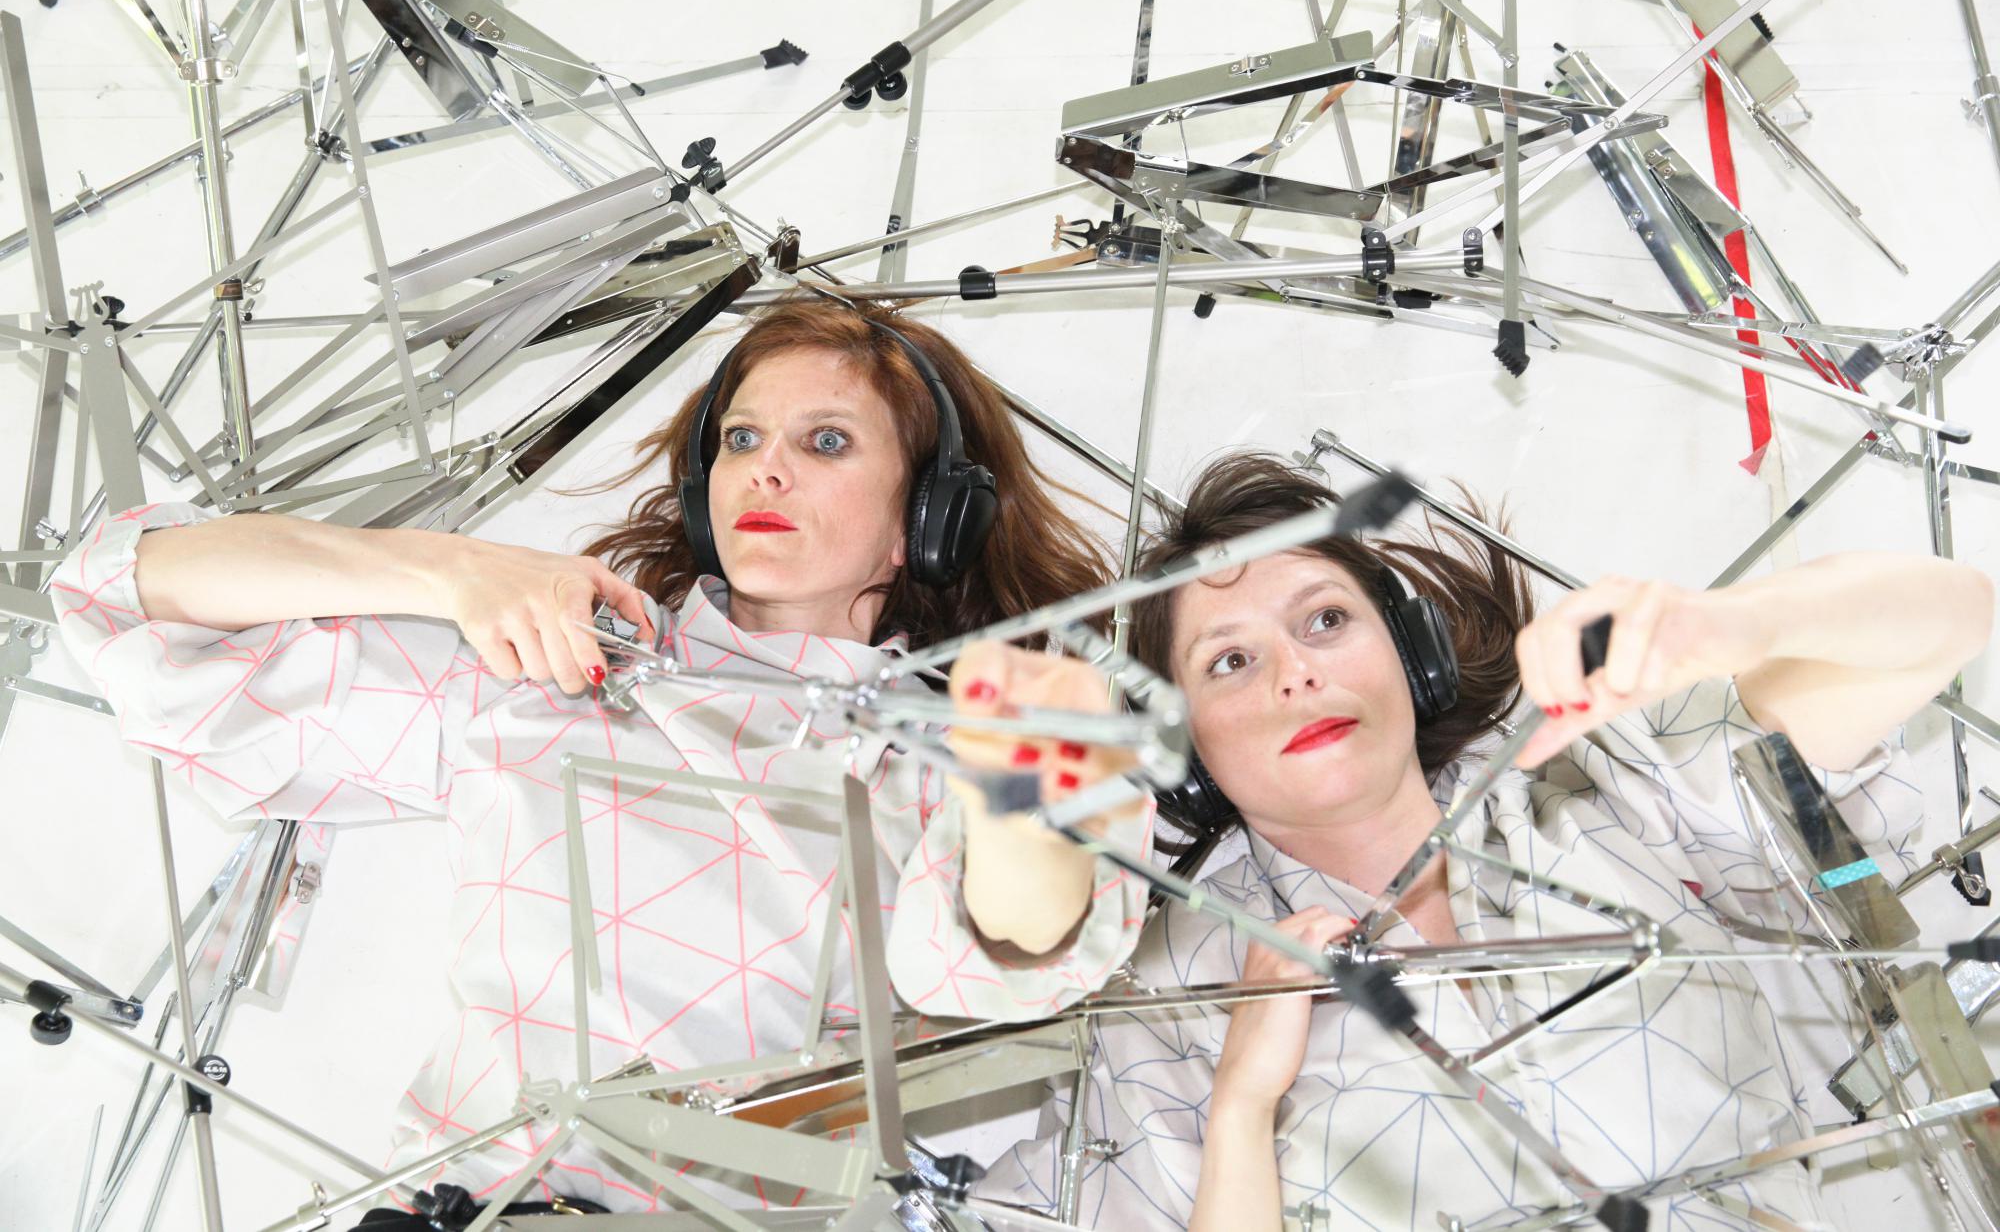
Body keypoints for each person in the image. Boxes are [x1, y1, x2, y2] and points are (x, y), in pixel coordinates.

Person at [50, 296, 1153, 1216]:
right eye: (740, 439)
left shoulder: (960, 747)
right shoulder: (548, 667)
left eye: (825, 442)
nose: (765, 472)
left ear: (930, 517)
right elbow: (123, 599)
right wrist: (448, 570)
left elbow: (1007, 958)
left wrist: (1032, 780)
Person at [981, 451, 1992, 1230]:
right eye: (1230, 660)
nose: (1295, 672)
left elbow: (1953, 618)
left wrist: (1736, 625)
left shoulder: (1605, 782)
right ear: (1183, 749)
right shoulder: (1164, 1005)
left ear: (1411, 652)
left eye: (1324, 619)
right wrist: (1242, 1105)